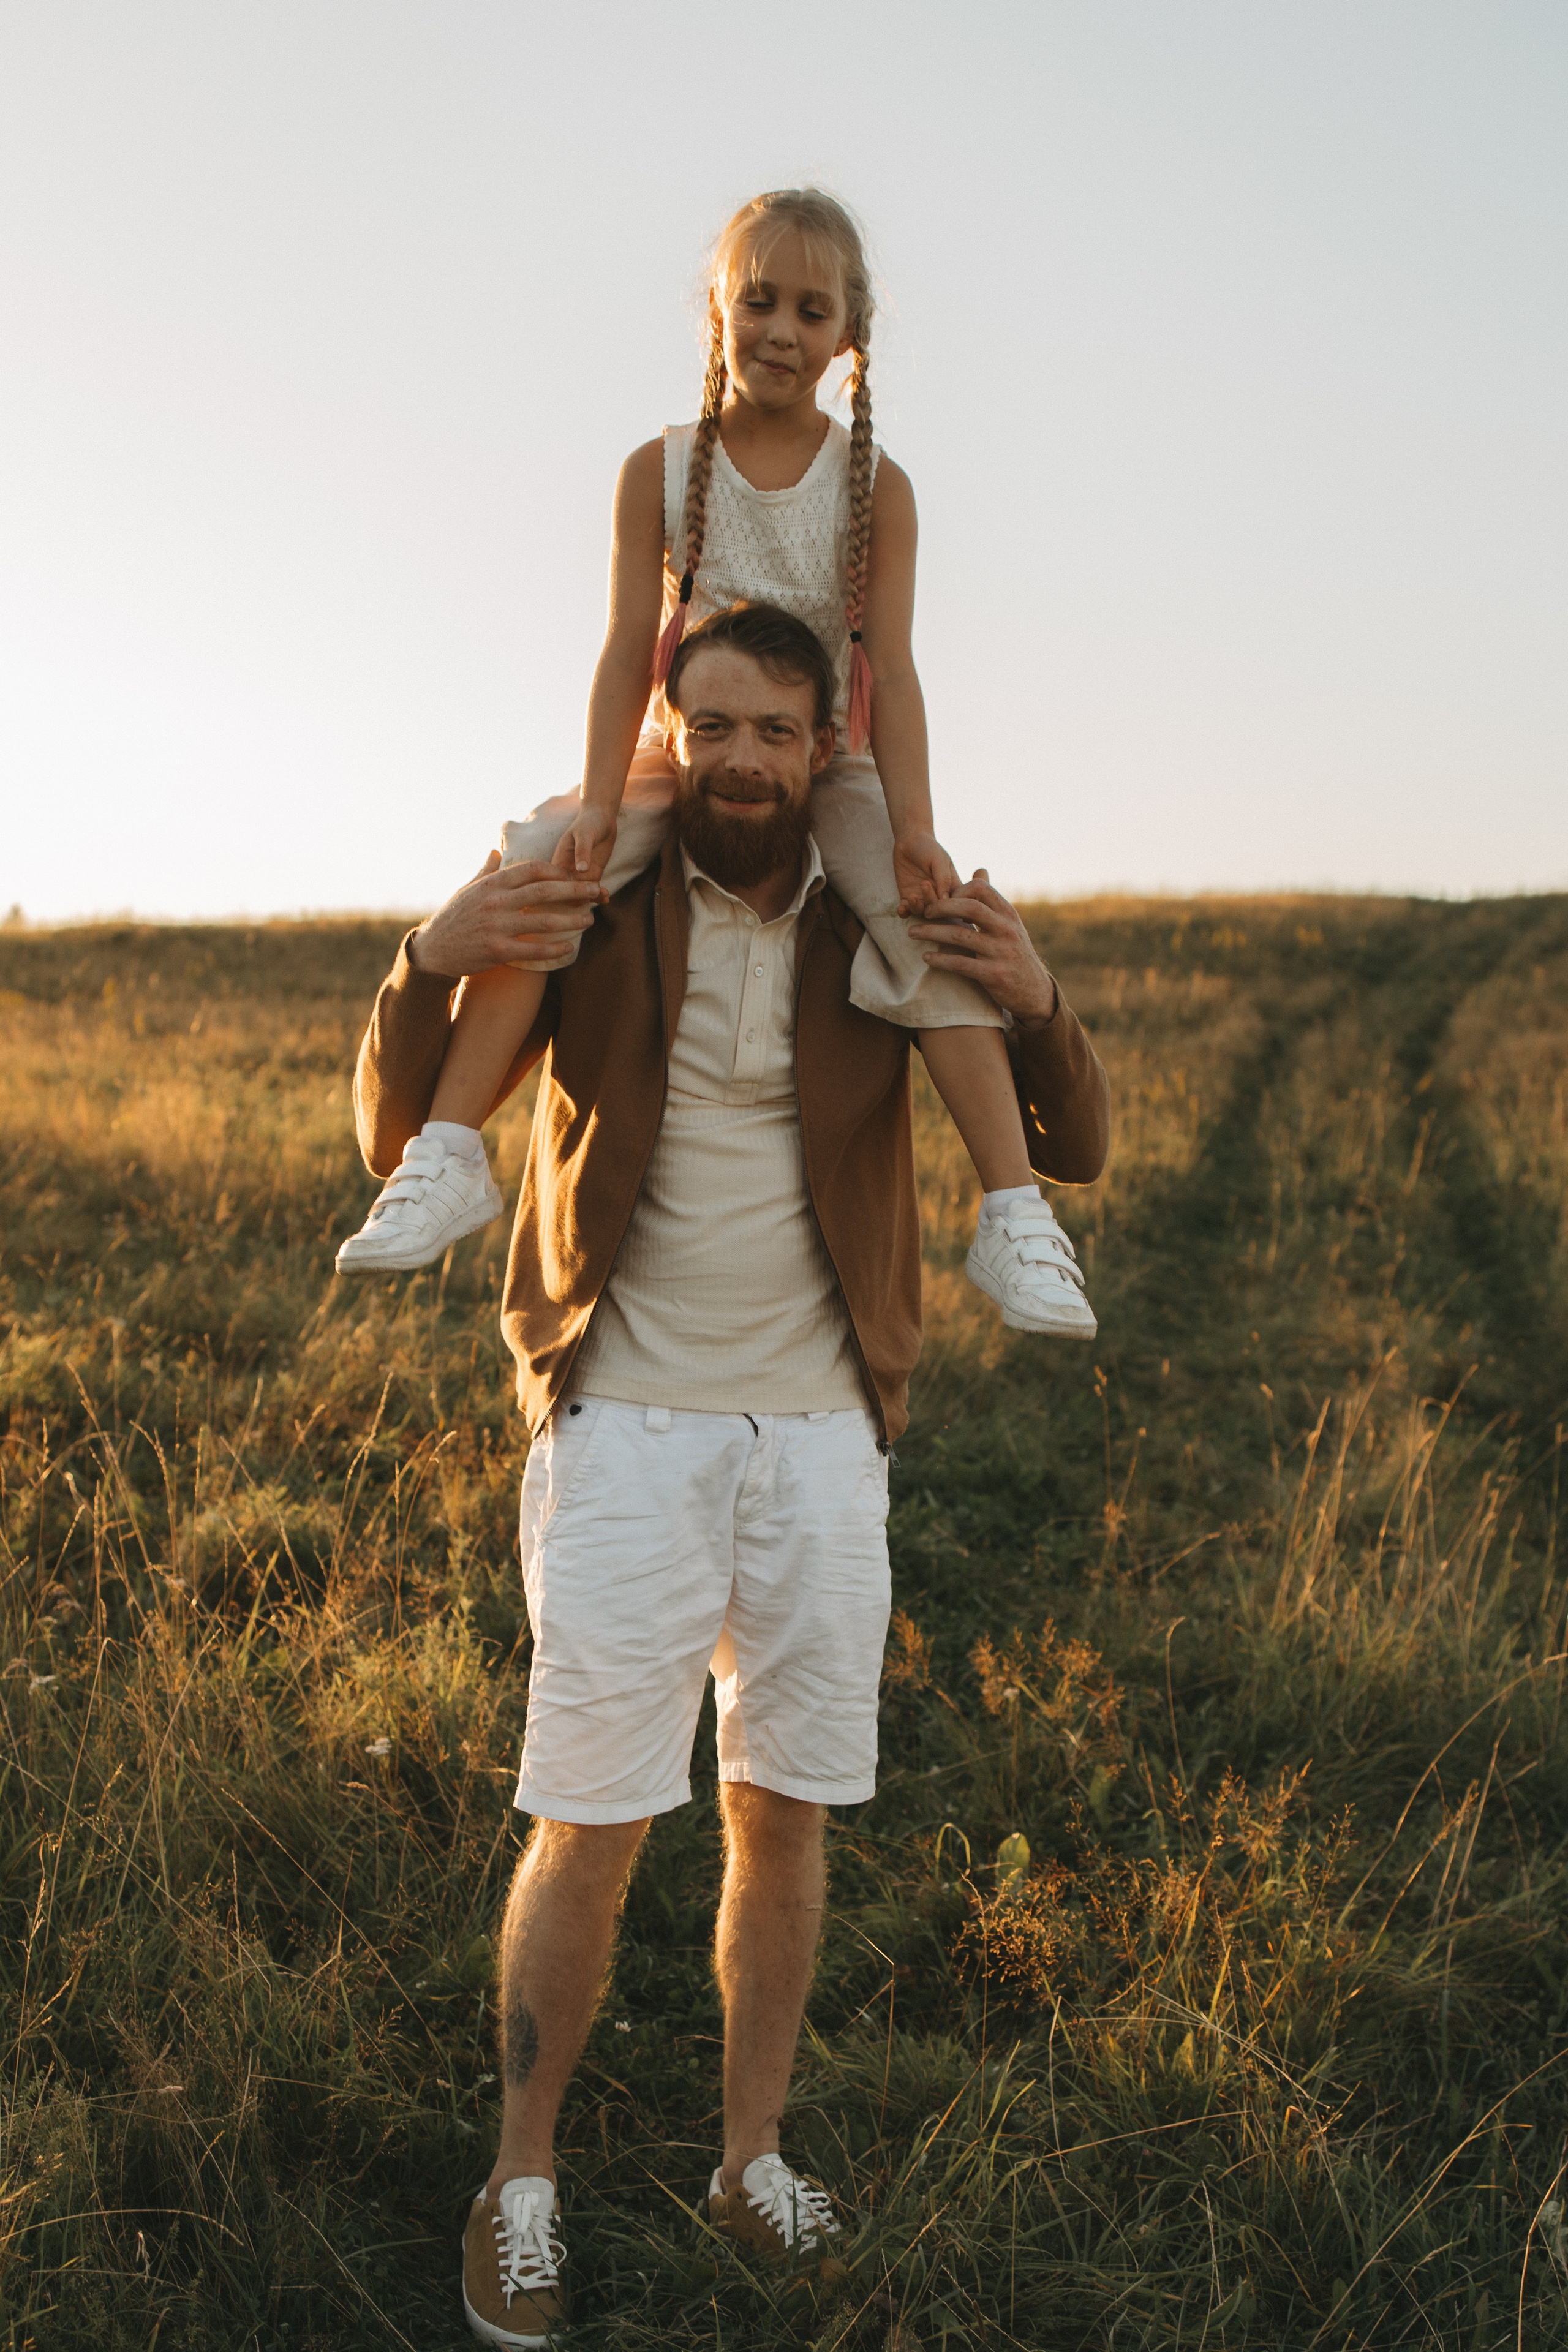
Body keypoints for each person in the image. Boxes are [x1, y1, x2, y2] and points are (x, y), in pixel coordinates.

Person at [350, 603, 1110, 2347]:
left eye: (777, 730)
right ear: (667, 734)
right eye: (714, 730)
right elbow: (400, 1137)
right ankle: (519, 2179)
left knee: (785, 1817)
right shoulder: (596, 905)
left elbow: (1075, 1145)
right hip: (623, 1423)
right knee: (594, 1821)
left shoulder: (882, 912)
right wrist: (428, 947)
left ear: (823, 737)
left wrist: (1039, 987)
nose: (744, 761)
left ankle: (747, 2160)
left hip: (828, 1439)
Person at [337, 185, 1097, 1340]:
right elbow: (622, 648)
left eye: (810, 308)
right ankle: (444, 1154)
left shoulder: (873, 488)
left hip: (826, 760)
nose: (782, 330)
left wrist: (913, 827)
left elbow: (893, 662)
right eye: (758, 300)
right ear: (715, 310)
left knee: (920, 917)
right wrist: (599, 802)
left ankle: (1014, 1214)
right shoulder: (659, 469)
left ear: (850, 335)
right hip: (675, 750)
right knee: (543, 860)